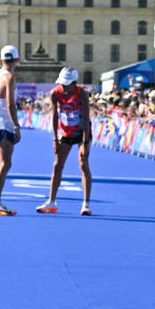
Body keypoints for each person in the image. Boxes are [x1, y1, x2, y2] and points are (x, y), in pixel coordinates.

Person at [37, 67, 93, 216]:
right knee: (57, 165)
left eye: (67, 84)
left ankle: (86, 204)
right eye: (62, 83)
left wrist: (85, 143)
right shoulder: (55, 93)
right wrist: (55, 139)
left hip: (81, 131)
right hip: (65, 131)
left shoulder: (81, 93)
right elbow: (54, 116)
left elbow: (87, 118)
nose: (64, 86)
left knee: (83, 162)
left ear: (74, 83)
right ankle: (51, 201)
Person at [0, 45, 21, 216]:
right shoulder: (9, 77)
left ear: (1, 59)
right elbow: (10, 104)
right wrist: (16, 126)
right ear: (16, 60)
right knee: (5, 163)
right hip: (5, 123)